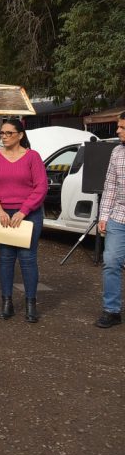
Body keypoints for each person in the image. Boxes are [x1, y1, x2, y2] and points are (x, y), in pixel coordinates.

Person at [0, 119, 47, 323]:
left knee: (28, 259)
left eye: (9, 133)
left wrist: (23, 210)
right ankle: (7, 302)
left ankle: (30, 303)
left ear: (20, 135)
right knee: (5, 258)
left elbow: (41, 187)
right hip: (2, 212)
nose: (4, 136)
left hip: (29, 214)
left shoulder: (32, 157)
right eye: (2, 133)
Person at [96, 112, 125, 329]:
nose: (117, 131)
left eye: (122, 127)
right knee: (111, 262)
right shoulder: (117, 152)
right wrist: (104, 216)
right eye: (118, 126)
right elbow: (111, 187)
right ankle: (111, 310)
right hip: (118, 216)